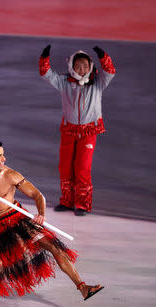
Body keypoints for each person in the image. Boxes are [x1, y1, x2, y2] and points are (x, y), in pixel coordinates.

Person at [0, 140, 103, 307]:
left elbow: (36, 194)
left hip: (14, 219)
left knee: (54, 246)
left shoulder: (10, 175)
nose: (4, 158)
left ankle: (83, 287)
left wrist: (41, 213)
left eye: (3, 154)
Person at [39, 45, 116, 216]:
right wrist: (45, 58)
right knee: (65, 167)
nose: (82, 70)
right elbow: (46, 74)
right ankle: (67, 201)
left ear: (90, 67)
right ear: (72, 67)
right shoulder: (64, 82)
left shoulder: (98, 83)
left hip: (88, 132)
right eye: (78, 66)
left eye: (85, 66)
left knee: (82, 167)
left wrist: (103, 56)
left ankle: (82, 204)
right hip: (69, 131)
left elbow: (110, 71)